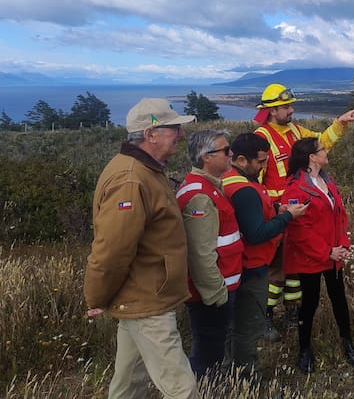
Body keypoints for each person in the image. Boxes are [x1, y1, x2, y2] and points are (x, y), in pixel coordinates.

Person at [84, 98, 198, 399]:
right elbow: (112, 250)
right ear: (151, 134)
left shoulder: (144, 170)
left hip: (143, 297)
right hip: (146, 301)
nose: (181, 135)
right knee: (181, 389)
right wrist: (97, 295)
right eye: (174, 129)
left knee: (129, 383)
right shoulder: (131, 179)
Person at [253, 83, 354, 339]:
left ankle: (292, 312)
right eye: (286, 107)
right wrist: (272, 210)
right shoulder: (262, 137)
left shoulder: (294, 130)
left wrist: (340, 124)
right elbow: (253, 183)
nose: (291, 110)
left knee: (294, 270)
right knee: (275, 272)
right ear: (272, 110)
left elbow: (320, 143)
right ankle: (263, 317)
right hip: (278, 215)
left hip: (300, 214)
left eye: (291, 105)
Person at [221, 133, 308, 373]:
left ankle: (228, 371)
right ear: (240, 160)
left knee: (232, 326)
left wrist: (278, 208)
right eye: (260, 161)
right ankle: (246, 376)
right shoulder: (245, 189)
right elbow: (257, 233)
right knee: (247, 327)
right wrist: (287, 216)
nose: (264, 166)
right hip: (252, 267)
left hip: (237, 266)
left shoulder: (231, 180)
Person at [281, 137, 354, 374]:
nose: (327, 152)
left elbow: (340, 216)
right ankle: (304, 349)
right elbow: (298, 230)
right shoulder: (295, 189)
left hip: (334, 254)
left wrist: (343, 245)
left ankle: (347, 342)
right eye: (322, 149)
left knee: (339, 298)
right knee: (310, 302)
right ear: (311, 157)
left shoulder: (327, 180)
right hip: (312, 257)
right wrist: (327, 251)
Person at [175, 130, 243, 379]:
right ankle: (204, 388)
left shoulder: (209, 186)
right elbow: (200, 253)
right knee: (208, 352)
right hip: (212, 293)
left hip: (219, 287)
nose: (231, 154)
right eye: (226, 151)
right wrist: (217, 295)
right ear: (206, 157)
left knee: (214, 346)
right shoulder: (200, 196)